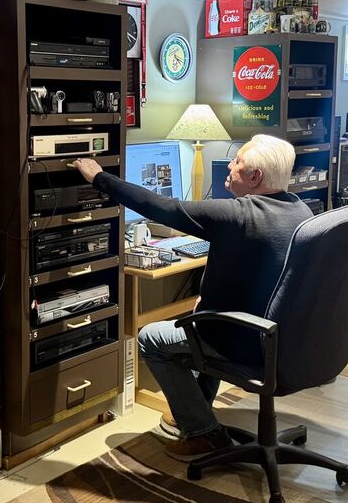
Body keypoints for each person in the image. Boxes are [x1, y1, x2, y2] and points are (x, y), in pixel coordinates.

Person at [73, 134, 311, 460]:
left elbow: (162, 207)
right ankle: (197, 413)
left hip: (245, 341)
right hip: (281, 336)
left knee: (150, 338)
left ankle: (203, 433)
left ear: (255, 177)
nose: (229, 165)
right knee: (200, 322)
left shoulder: (237, 215)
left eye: (238, 161)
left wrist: (100, 178)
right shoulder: (300, 211)